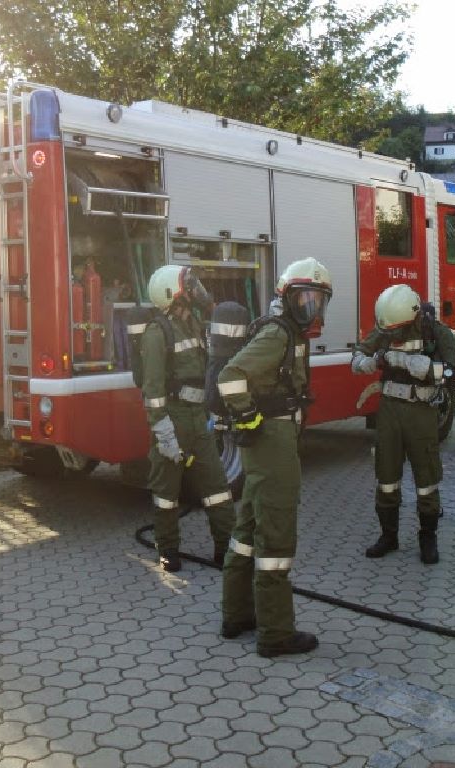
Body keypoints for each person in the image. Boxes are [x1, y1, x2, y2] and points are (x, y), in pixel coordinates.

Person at [217, 257, 332, 658]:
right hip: (273, 442)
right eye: (304, 298)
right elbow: (230, 376)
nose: (311, 307)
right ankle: (276, 632)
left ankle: (237, 615)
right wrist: (247, 415)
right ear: (287, 296)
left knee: (248, 528)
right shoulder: (278, 334)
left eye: (318, 300)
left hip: (267, 442)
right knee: (277, 532)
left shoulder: (286, 332)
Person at [351, 284, 455, 565]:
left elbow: (449, 373)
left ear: (412, 316)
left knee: (426, 479)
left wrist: (412, 363)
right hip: (389, 412)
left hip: (421, 412)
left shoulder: (436, 333)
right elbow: (357, 358)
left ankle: (428, 537)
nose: (392, 335)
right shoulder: (386, 327)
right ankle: (389, 536)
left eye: (397, 330)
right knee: (386, 478)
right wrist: (370, 362)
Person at [141, 264, 234, 573]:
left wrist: (212, 411)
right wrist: (163, 430)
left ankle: (226, 548)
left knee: (217, 487)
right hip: (173, 419)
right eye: (189, 286)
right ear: (173, 294)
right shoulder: (157, 333)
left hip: (198, 418)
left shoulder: (194, 324)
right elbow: (152, 390)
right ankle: (168, 549)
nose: (196, 291)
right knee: (167, 493)